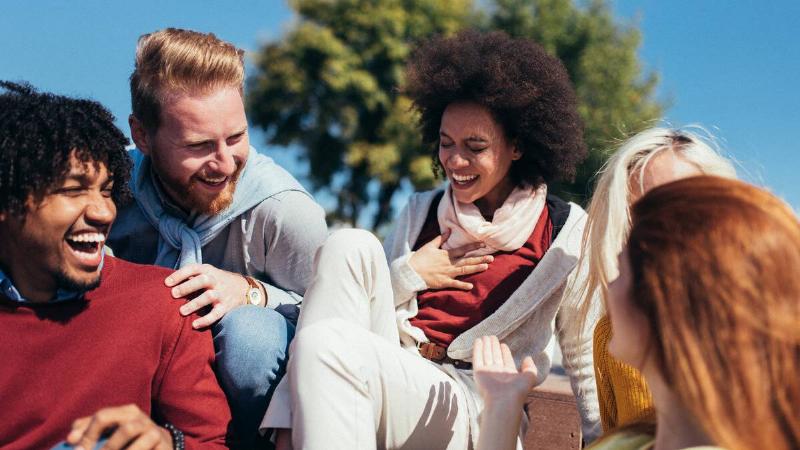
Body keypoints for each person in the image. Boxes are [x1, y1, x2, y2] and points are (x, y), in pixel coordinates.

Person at [262, 30, 600, 449]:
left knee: (324, 341)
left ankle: (287, 432)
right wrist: (410, 274)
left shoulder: (566, 231)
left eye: (475, 147)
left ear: (516, 146)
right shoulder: (421, 209)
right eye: (446, 143)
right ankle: (291, 427)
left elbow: (585, 357)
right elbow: (361, 309)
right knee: (348, 245)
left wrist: (611, 440)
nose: (455, 161)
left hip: (473, 404)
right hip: (398, 366)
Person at [106, 28, 328, 446]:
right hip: (138, 392)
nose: (225, 163)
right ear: (141, 136)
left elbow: (338, 323)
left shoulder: (284, 210)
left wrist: (253, 292)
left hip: (255, 407)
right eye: (200, 145)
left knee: (251, 337)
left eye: (237, 137)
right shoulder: (109, 194)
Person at [473, 175, 800, 450]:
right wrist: (504, 406)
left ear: (665, 305)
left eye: (622, 271)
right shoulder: (639, 439)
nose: (609, 289)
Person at [0, 81, 232, 449]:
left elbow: (210, 442)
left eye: (107, 190)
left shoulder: (163, 303)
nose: (104, 211)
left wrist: (168, 444)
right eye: (74, 190)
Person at [576, 128, 737, 431]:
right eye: (638, 216)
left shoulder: (766, 325)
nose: (661, 229)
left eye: (681, 208)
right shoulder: (611, 336)